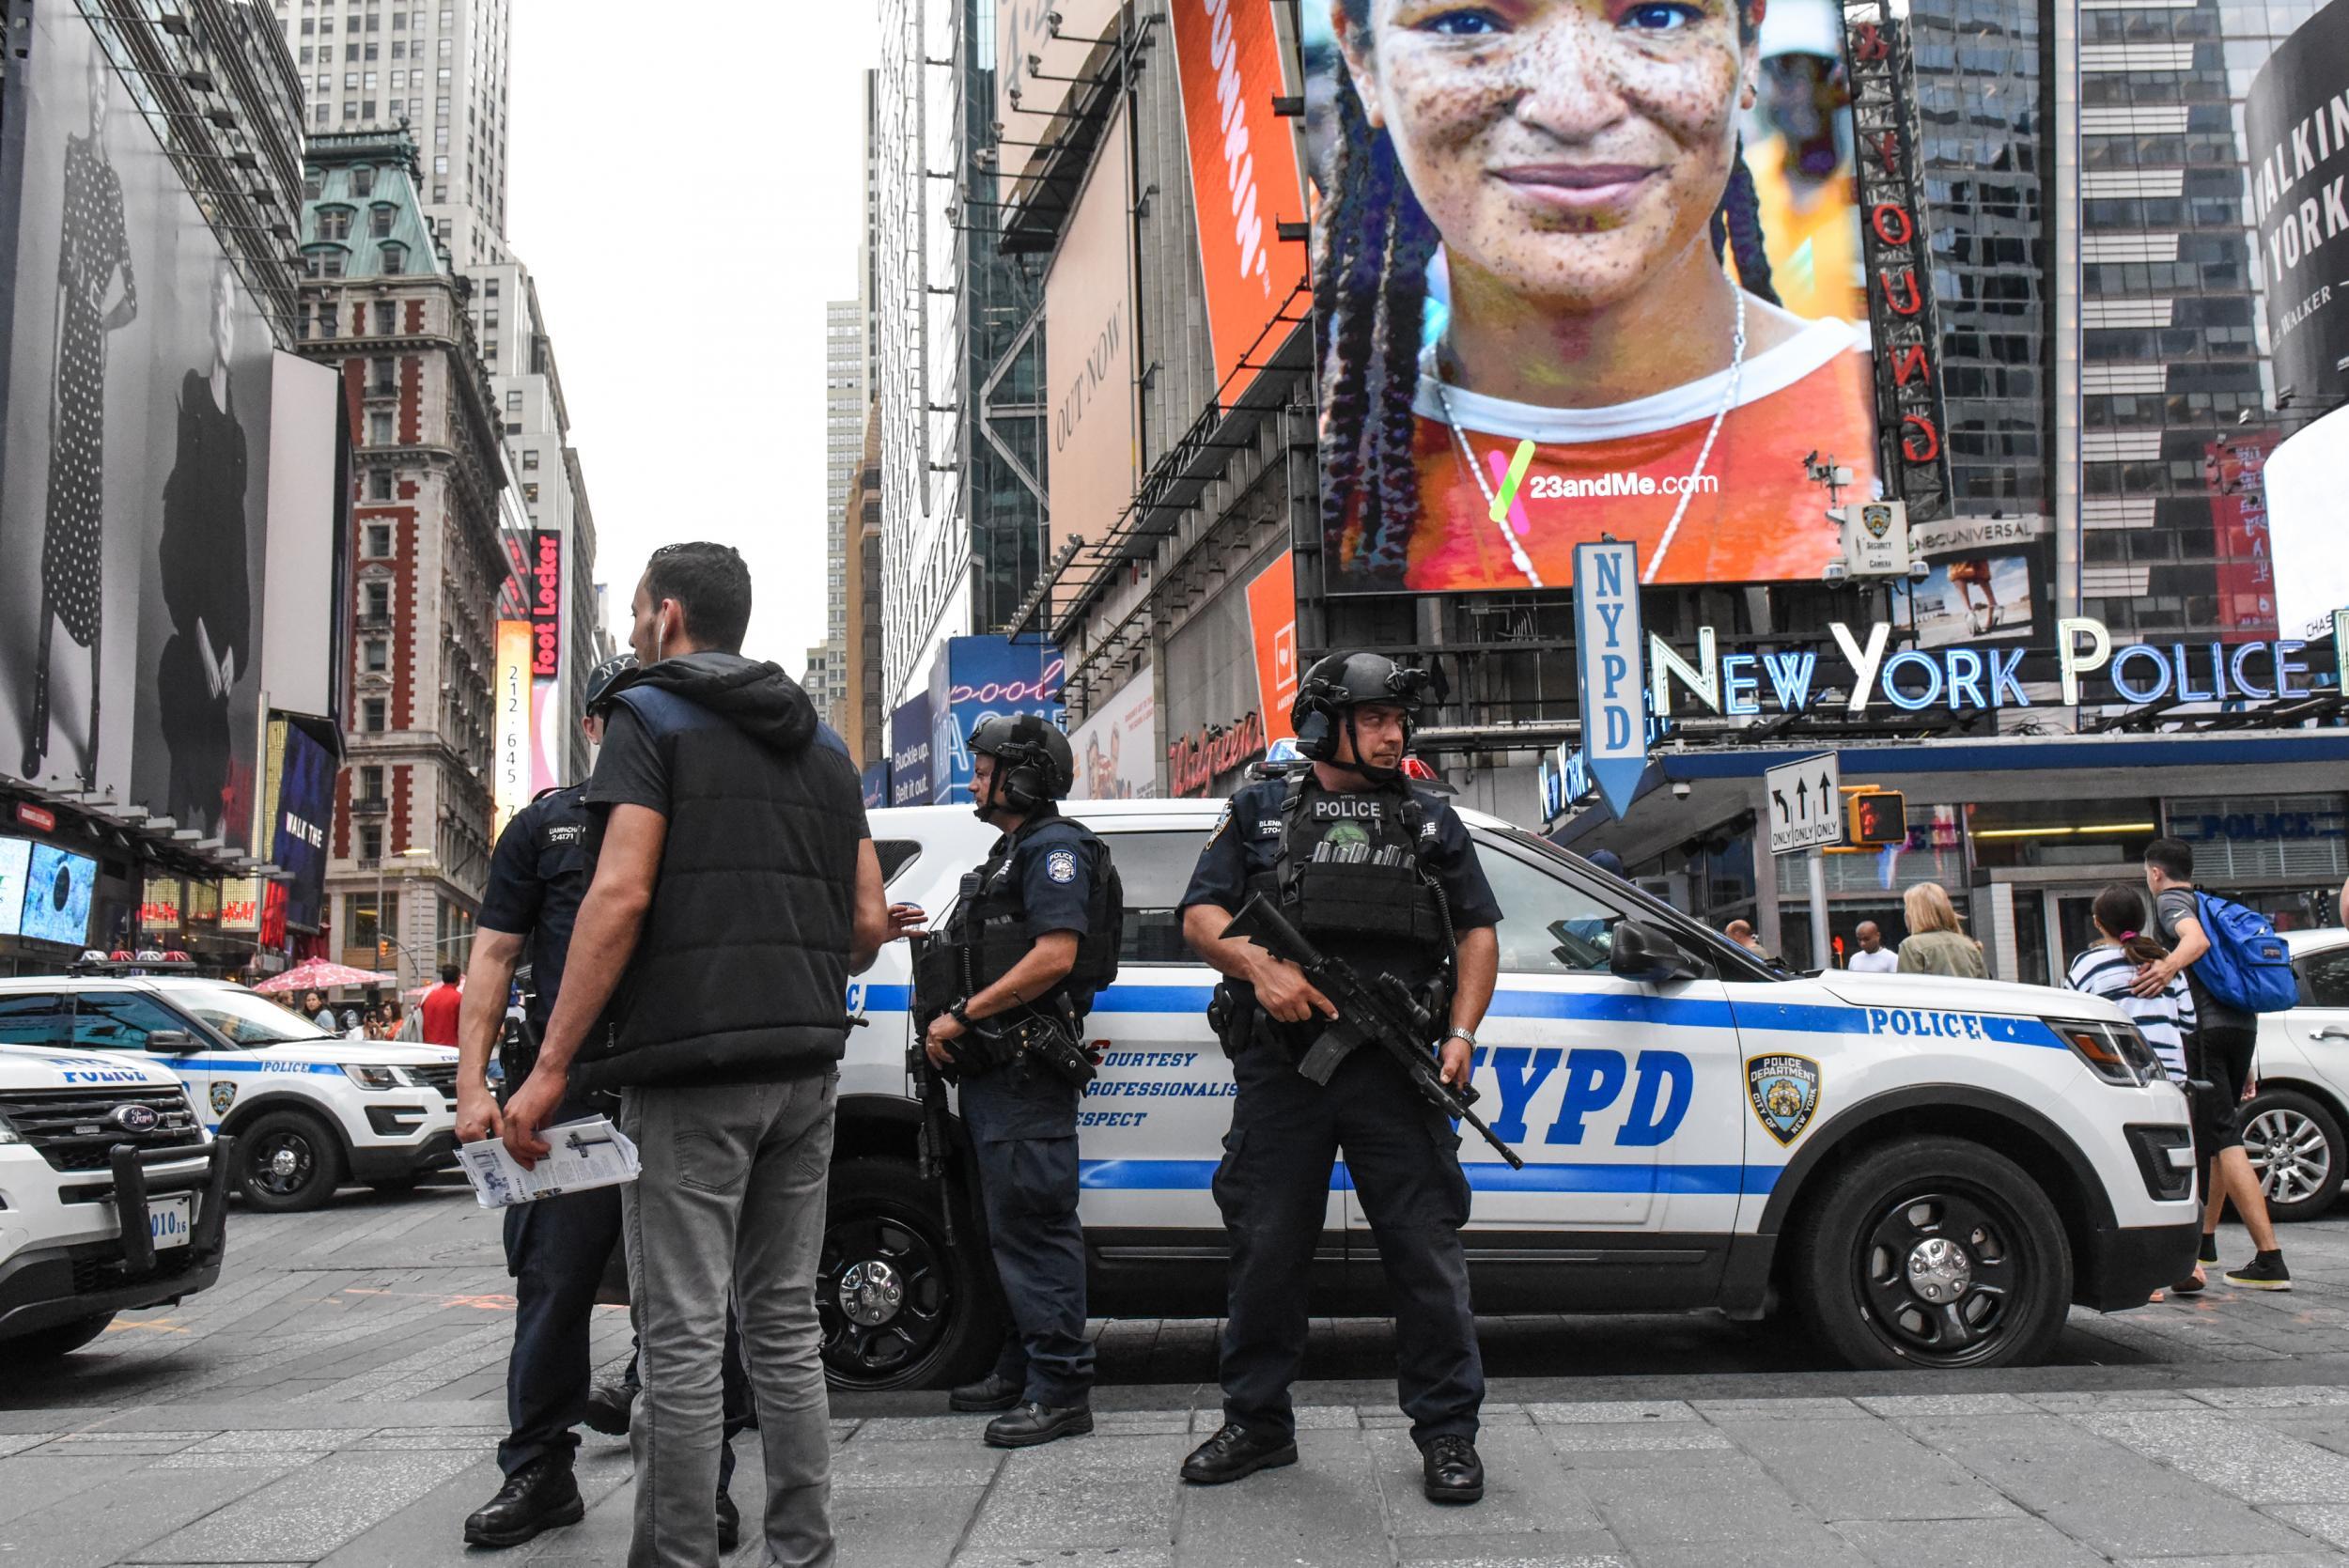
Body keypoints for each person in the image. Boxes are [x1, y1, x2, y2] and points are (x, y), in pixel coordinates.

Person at [502, 542, 889, 1568]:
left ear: (668, 616)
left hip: (691, 1075)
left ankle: (677, 1559)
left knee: (676, 1338)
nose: (632, 633)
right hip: (806, 1070)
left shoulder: (646, 716)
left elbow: (617, 893)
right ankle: (803, 1549)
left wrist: (549, 1069)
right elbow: (862, 922)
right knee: (784, 1331)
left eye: (637, 615)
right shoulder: (825, 744)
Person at [1318, 0, 1877, 593]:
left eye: (1657, 16)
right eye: (1468, 23)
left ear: (1746, 46)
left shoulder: (1890, 429)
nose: (1574, 111)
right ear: (1362, 60)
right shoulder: (1339, 487)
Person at [1175, 651, 1501, 1504]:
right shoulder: (1257, 810)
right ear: (1327, 723)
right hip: (1287, 1068)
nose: (1396, 734)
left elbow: (1476, 932)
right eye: (1377, 719)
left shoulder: (1432, 819)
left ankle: (1449, 1434)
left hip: (1396, 1067)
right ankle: (1257, 1422)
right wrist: (1261, 969)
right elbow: (1200, 916)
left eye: (1399, 720)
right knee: (1267, 1244)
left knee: (1424, 1251)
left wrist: (1462, 1031)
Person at [454, 654, 758, 1551]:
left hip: (680, 1079)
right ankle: (539, 1470)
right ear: (595, 727)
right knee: (553, 1285)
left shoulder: (705, 820)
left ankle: (703, 1483)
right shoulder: (543, 826)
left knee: (698, 1296)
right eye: (619, 715)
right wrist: (472, 1082)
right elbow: (494, 955)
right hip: (567, 1092)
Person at [902, 713, 1121, 1448]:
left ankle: (1059, 1389)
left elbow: (1055, 955)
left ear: (1023, 775)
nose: (974, 777)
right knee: (1004, 1229)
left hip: (1025, 1072)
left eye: (986, 765)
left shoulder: (1054, 850)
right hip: (999, 1077)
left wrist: (963, 1015)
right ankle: (1023, 1363)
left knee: (1034, 1227)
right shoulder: (1010, 852)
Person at [25, 44, 135, 786]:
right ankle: (37, 717)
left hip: (91, 367)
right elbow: (66, 280)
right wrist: (76, 337)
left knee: (85, 547)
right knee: (53, 550)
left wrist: (101, 321)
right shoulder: (69, 159)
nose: (99, 104)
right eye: (94, 91)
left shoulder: (114, 182)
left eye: (106, 96)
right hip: (70, 367)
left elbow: (129, 298)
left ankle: (89, 735)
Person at [2135, 838, 2290, 1291]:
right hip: (2242, 1024)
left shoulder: (2170, 902)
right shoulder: (2211, 899)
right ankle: (2206, 1242)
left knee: (2221, 1134)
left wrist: (2166, 969)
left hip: (2204, 1029)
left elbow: (2196, 941)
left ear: (2155, 872)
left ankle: (2270, 1257)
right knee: (2220, 1130)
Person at [2064, 883, 2201, 1294]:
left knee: (2129, 1173)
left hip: (2119, 1080)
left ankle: (2149, 1278)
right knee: (2177, 1174)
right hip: (2170, 1082)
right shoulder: (2165, 964)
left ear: (2097, 922)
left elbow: (2072, 1014)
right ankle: (2189, 1267)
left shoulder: (2089, 965)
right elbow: (2190, 1024)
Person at [156, 257, 253, 836]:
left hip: (224, 637)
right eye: (215, 302)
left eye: (231, 306)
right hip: (191, 638)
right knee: (187, 774)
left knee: (217, 793)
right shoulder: (189, 398)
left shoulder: (237, 432)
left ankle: (207, 881)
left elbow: (237, 546)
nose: (223, 316)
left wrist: (234, 649)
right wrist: (198, 635)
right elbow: (178, 535)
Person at [1895, 884, 1986, 978]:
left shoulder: (1912, 945)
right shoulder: (1969, 945)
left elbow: (1909, 988)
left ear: (1916, 913)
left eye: (1907, 908)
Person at [419, 962, 463, 1047]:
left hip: (428, 1046)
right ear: (458, 979)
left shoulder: (429, 996)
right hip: (449, 1049)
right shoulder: (459, 998)